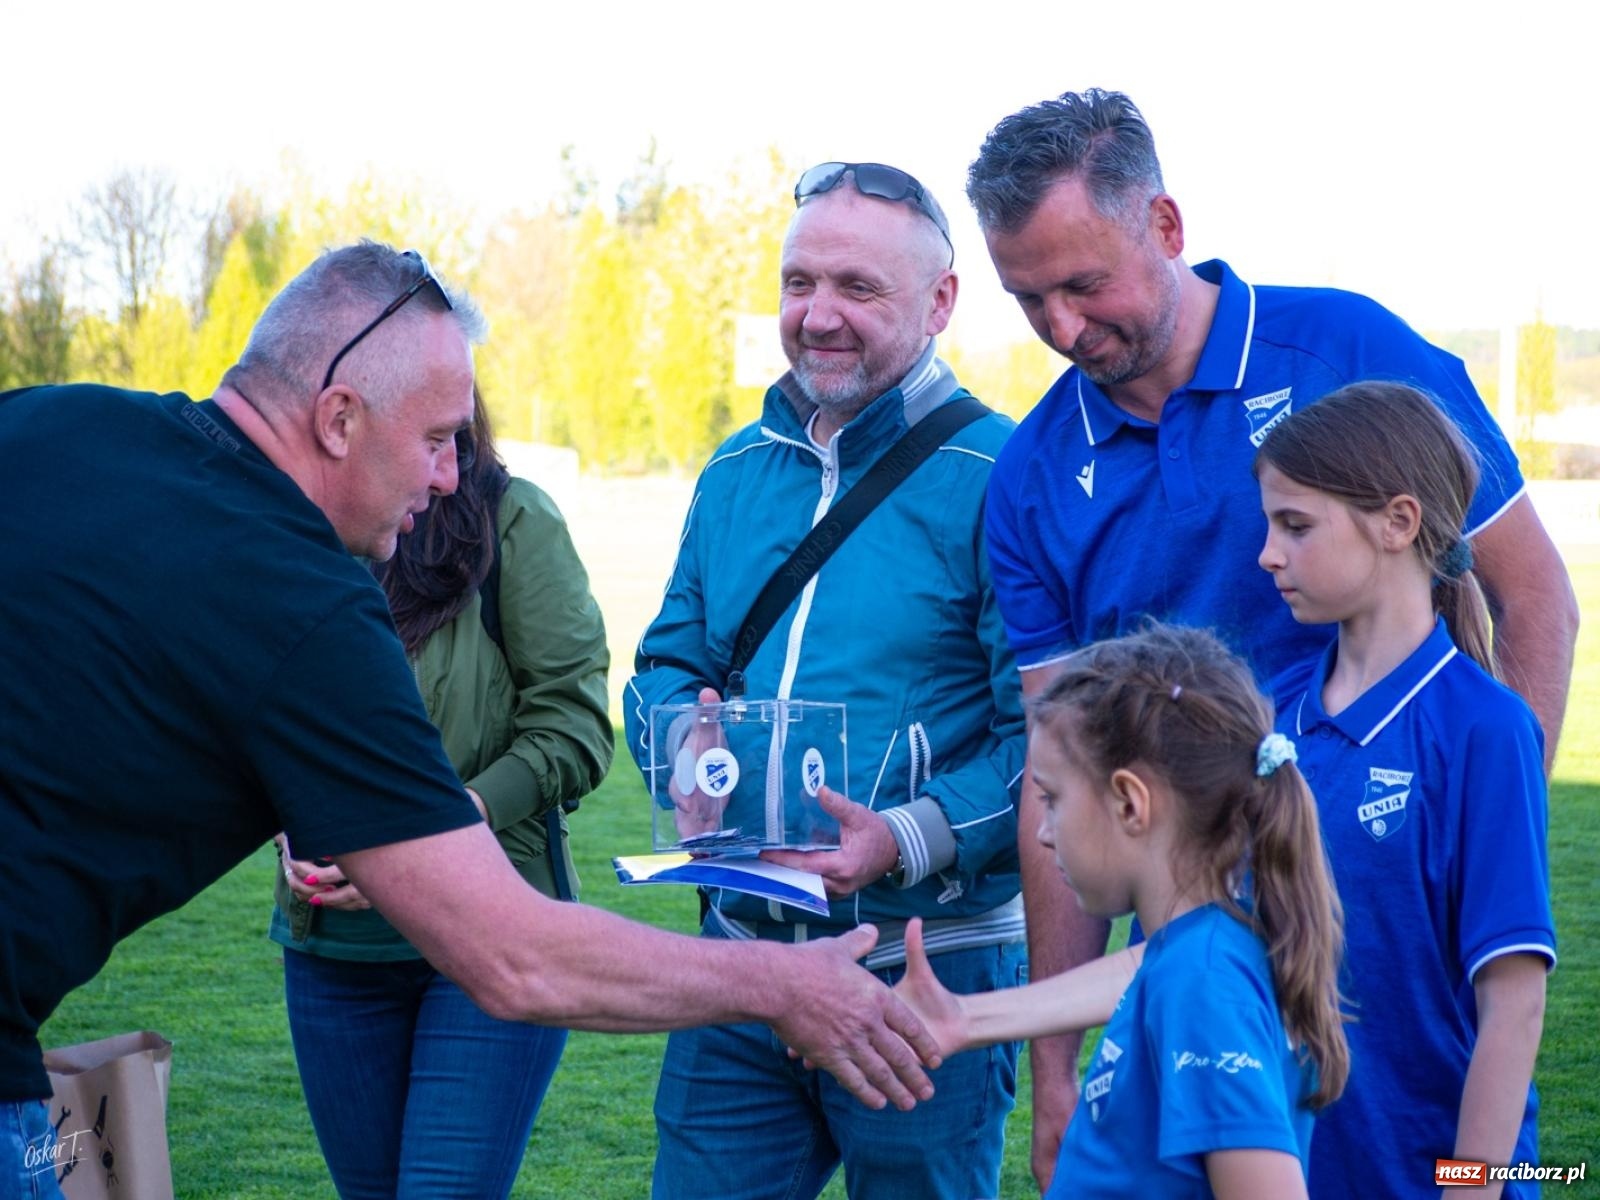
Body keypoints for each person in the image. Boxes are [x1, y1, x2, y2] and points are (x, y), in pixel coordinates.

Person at [0, 242, 943, 1199]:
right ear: (337, 418)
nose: (454, 475)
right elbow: (516, 957)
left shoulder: (53, 419)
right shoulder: (306, 609)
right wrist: (786, 986)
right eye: (438, 437)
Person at [963, 88, 1577, 1188]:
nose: (1061, 328)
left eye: (1083, 283)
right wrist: (1052, 1069)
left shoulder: (1347, 347)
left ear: (1162, 226)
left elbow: (1531, 597)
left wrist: (1480, 836)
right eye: (1028, 300)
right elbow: (1056, 776)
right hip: (1208, 982)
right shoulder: (1030, 477)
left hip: (1398, 948)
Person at [624, 163, 1026, 1199]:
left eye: (856, 287)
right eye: (799, 283)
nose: (818, 316)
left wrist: (902, 836)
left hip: (926, 974)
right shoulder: (733, 470)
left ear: (939, 303)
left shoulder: (1002, 480)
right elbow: (670, 659)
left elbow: (1051, 743)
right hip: (742, 966)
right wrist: (680, 747)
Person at [269, 383, 612, 1198]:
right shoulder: (297, 523)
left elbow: (575, 726)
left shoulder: (512, 519)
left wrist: (431, 834)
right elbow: (259, 711)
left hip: (487, 938)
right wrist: (288, 815)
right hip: (333, 954)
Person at [894, 623, 1349, 1199]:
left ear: (1131, 803)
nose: (1041, 832)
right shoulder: (1192, 954)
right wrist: (960, 1014)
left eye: (1053, 799)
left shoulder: (1201, 984)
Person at [1256, 381, 1554, 1200]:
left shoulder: (1483, 729)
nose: (1267, 554)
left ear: (1398, 522)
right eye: (1269, 524)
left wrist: (1469, 1190)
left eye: (1296, 525)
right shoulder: (1274, 714)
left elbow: (1515, 1004)